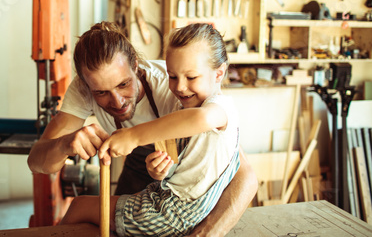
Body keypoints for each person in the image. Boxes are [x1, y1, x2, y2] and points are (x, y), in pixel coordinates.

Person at [27, 21, 257, 236]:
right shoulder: (83, 89)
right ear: (86, 86)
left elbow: (242, 174)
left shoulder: (178, 91)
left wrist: (206, 232)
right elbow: (37, 163)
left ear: (136, 66)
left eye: (123, 84)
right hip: (149, 167)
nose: (117, 102)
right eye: (101, 92)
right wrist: (64, 144)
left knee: (84, 208)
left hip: (174, 196)